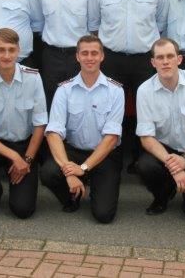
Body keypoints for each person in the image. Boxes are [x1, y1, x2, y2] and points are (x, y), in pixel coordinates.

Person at [88, 0, 169, 168]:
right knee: (111, 110)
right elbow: (93, 25)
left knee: (146, 109)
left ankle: (141, 158)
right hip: (112, 58)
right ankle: (112, 157)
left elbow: (161, 23)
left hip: (145, 59)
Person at [41, 35, 124, 223]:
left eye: (94, 53)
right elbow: (53, 133)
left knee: (104, 215)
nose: (90, 57)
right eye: (84, 53)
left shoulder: (115, 90)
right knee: (48, 172)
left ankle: (92, 184)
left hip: (104, 155)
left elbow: (111, 138)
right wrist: (68, 170)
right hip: (74, 152)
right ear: (77, 57)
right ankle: (72, 197)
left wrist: (84, 168)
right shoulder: (64, 90)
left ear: (102, 56)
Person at [0, 28, 47, 218]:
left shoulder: (33, 77)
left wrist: (26, 159)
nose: (6, 55)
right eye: (1, 49)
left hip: (24, 146)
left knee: (23, 210)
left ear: (18, 50)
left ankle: (18, 180)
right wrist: (14, 156)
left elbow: (40, 124)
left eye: (11, 50)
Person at [135, 38, 185, 222]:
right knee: (145, 166)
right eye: (160, 57)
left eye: (170, 56)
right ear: (153, 62)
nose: (165, 61)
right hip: (166, 153)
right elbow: (146, 137)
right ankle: (163, 194)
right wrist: (175, 167)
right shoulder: (144, 90)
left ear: (179, 59)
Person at [37, 0, 89, 105]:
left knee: (79, 99)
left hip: (79, 56)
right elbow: (39, 24)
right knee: (51, 99)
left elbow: (94, 24)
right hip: (51, 56)